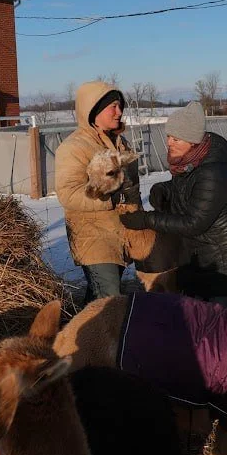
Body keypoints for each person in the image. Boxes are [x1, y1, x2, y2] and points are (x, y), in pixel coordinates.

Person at [120, 101, 227, 306]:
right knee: (202, 316)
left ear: (193, 142)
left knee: (219, 321)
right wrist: (163, 189)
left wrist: (146, 219)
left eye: (177, 139)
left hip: (226, 261)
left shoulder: (213, 173)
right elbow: (185, 188)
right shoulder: (190, 164)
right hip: (205, 255)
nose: (169, 142)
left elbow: (194, 223)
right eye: (169, 136)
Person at [55, 81, 139, 304]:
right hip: (93, 237)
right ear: (93, 109)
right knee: (109, 299)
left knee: (98, 297)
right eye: (112, 106)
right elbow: (68, 193)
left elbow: (132, 188)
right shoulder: (74, 147)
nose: (119, 112)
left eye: (120, 106)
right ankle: (104, 338)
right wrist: (109, 198)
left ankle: (78, 336)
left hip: (120, 233)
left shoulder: (122, 144)